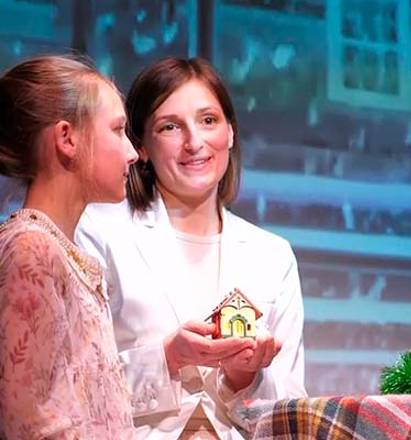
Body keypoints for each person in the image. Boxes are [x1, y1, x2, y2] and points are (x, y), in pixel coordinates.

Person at [76, 57, 306, 439]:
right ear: (141, 146)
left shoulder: (273, 255)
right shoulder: (99, 232)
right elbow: (75, 386)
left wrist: (243, 378)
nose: (194, 142)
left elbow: (291, 408)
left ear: (230, 133)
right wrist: (167, 359)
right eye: (170, 126)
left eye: (208, 121)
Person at [0, 55, 138, 438]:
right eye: (118, 130)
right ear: (67, 138)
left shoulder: (61, 251)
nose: (132, 152)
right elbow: (31, 423)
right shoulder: (32, 250)